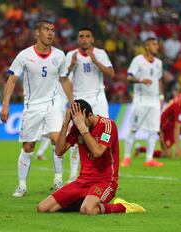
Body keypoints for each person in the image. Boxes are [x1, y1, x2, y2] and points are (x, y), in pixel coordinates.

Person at [0, 20, 73, 197]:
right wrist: (5, 104)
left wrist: (73, 102)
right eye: (46, 30)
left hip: (53, 104)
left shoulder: (59, 55)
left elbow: (64, 79)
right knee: (28, 146)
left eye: (53, 30)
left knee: (58, 140)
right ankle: (22, 185)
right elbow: (12, 79)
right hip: (32, 106)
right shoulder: (24, 55)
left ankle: (58, 180)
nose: (50, 33)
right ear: (37, 34)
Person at [37, 100, 146, 214]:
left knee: (87, 210)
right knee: (43, 208)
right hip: (82, 181)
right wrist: (65, 124)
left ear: (89, 115)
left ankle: (123, 207)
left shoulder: (108, 125)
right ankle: (84, 201)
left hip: (105, 181)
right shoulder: (77, 127)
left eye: (79, 120)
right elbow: (59, 151)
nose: (76, 123)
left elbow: (98, 152)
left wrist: (82, 128)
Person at [65, 27, 114, 182]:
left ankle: (105, 171)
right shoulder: (71, 55)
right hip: (80, 100)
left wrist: (95, 61)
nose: (84, 39)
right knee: (76, 135)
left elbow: (111, 73)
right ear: (78, 39)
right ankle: (73, 175)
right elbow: (62, 77)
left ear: (92, 39)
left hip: (98, 98)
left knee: (104, 133)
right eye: (81, 36)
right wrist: (71, 65)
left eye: (87, 36)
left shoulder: (100, 54)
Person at [121, 37, 164, 167]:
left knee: (153, 130)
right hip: (141, 99)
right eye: (154, 44)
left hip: (155, 100)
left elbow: (159, 80)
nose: (157, 47)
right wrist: (140, 81)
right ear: (147, 46)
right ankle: (127, 157)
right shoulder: (138, 60)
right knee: (134, 128)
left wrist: (161, 97)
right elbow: (129, 77)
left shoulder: (158, 63)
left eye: (157, 44)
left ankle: (149, 159)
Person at [134, 84, 181, 159]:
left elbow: (180, 114)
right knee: (167, 154)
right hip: (165, 128)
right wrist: (178, 148)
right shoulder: (180, 102)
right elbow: (177, 128)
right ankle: (141, 149)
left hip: (172, 124)